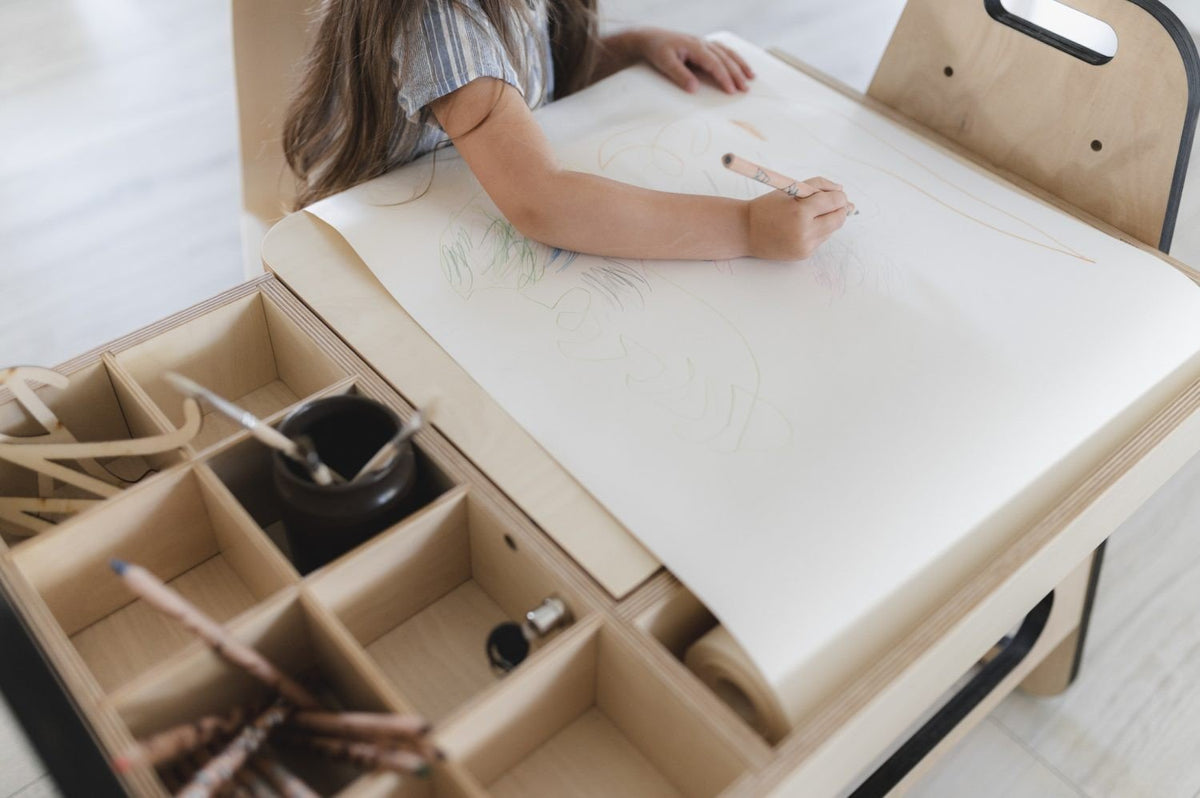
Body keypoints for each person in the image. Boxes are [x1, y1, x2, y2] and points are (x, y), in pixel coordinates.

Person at [283, 0, 851, 261]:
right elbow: (541, 202)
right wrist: (748, 227)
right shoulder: (438, 20)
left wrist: (627, 48)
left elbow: (524, 77)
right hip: (367, 242)